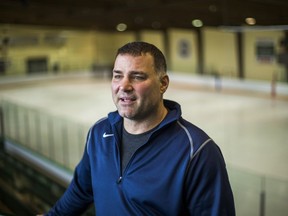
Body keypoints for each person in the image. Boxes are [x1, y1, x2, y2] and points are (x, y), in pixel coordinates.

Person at [43, 41, 235, 215]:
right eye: (118, 76)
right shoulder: (99, 133)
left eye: (137, 77)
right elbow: (81, 191)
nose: (124, 86)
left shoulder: (197, 151)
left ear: (163, 84)